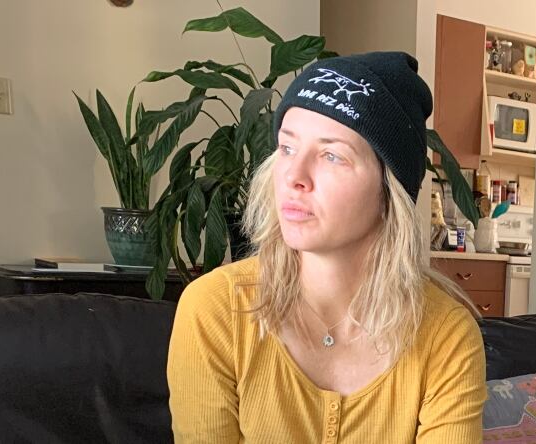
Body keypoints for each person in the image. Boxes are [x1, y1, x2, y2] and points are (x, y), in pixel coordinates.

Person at [167, 52, 486, 443]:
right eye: (286, 148)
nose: (294, 177)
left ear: (390, 192)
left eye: (331, 155)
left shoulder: (445, 336)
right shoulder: (214, 311)